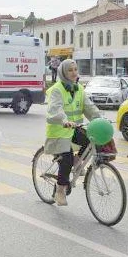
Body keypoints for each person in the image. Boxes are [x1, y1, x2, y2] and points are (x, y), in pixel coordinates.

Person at [44, 59, 101, 206]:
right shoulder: (57, 89)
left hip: (74, 129)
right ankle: (60, 191)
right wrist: (64, 120)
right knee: (66, 159)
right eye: (70, 70)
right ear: (63, 72)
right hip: (59, 131)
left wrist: (100, 119)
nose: (74, 72)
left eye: (75, 69)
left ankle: (78, 162)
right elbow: (55, 109)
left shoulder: (79, 88)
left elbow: (89, 107)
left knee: (91, 139)